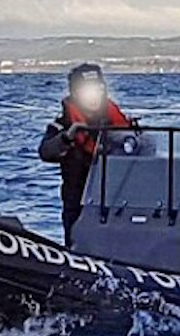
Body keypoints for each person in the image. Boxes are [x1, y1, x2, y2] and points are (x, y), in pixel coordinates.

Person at [39, 63, 131, 247]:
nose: (93, 97)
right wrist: (66, 138)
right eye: (86, 91)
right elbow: (46, 152)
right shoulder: (62, 125)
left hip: (117, 201)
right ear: (75, 93)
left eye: (98, 89)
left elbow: (146, 150)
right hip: (79, 202)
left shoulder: (119, 124)